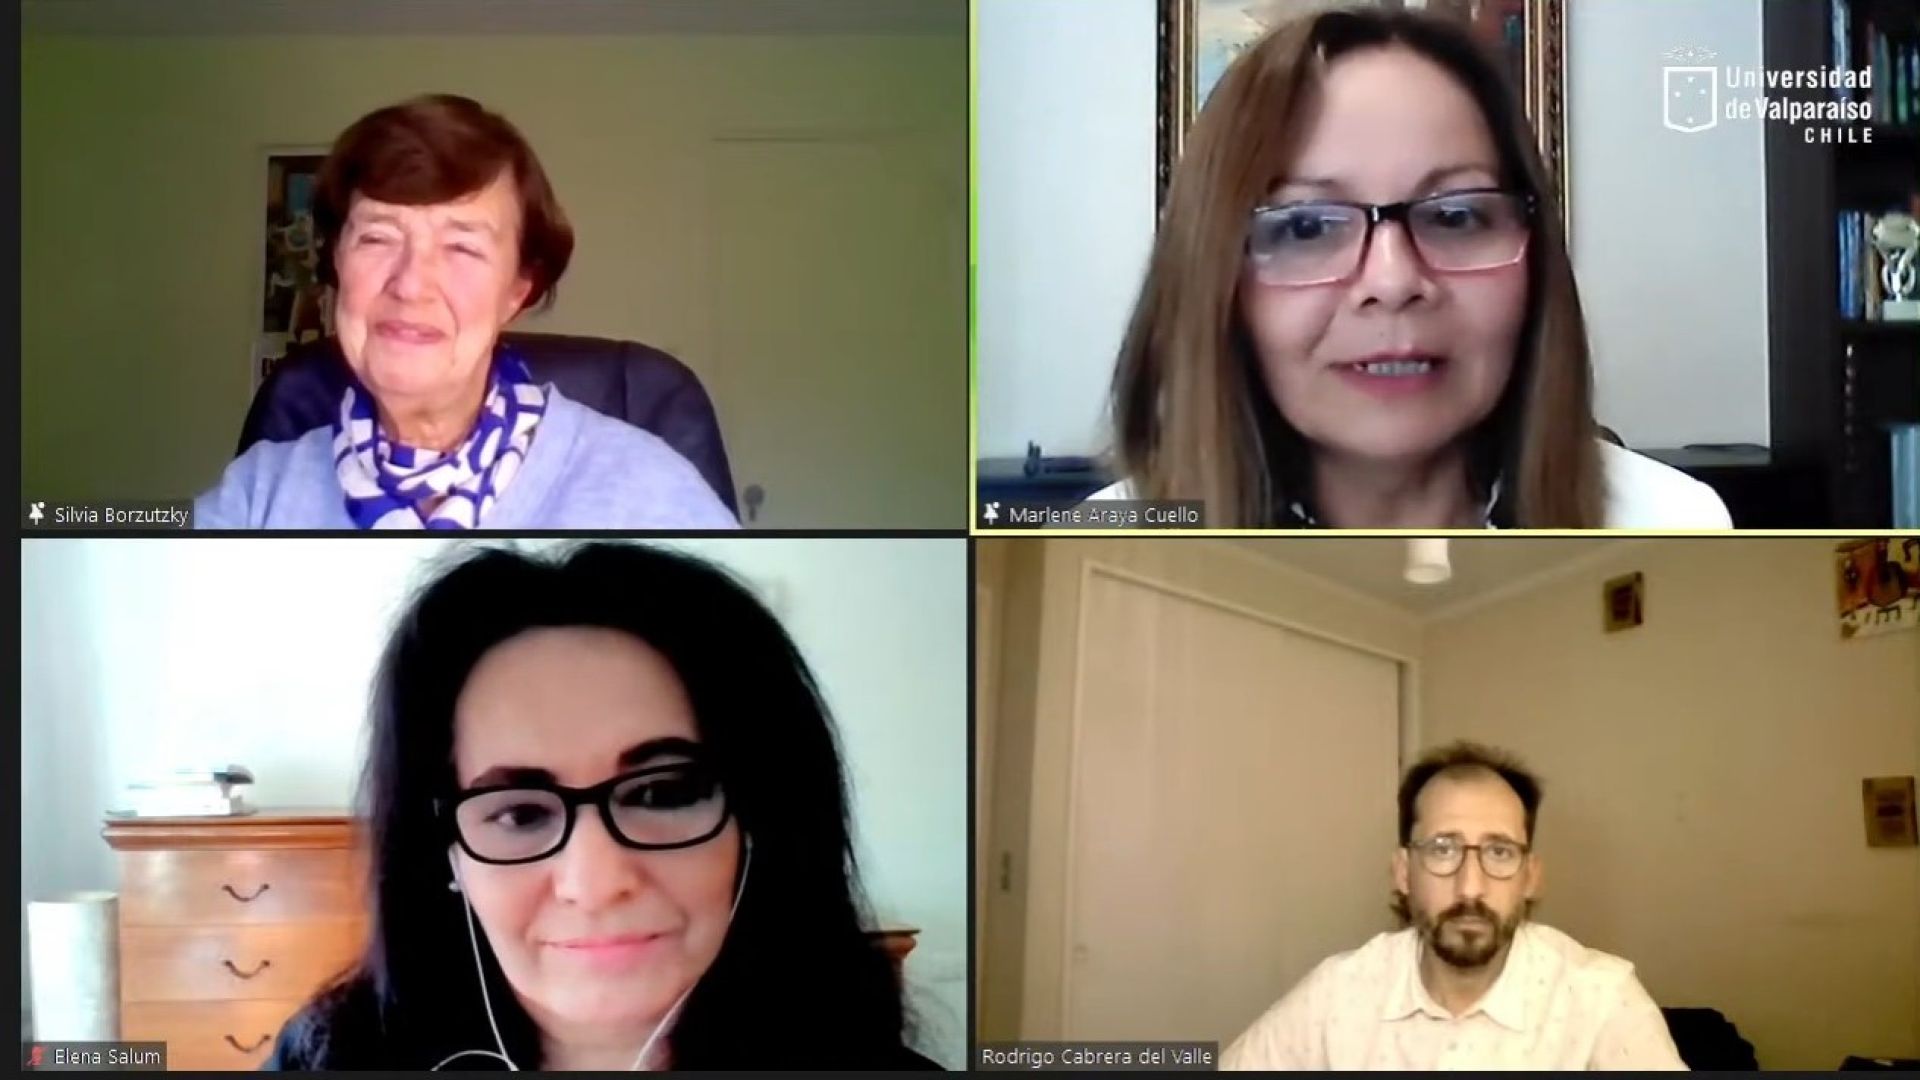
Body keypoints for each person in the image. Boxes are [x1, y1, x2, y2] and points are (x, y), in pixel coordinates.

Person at [264, 543, 935, 1070]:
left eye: (662, 794)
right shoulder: (328, 1057)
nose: (594, 883)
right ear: (447, 853)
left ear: (758, 820)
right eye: (520, 814)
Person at [1098, 8, 1730, 528]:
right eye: (1306, 226)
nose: (1394, 282)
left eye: (1455, 216)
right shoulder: (1109, 536)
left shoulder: (1672, 520)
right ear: (1216, 278)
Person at [196, 96, 737, 529]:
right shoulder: (258, 492)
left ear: (517, 291)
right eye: (377, 237)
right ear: (338, 259)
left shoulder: (649, 492)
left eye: (462, 247)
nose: (411, 284)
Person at [1222, 742, 1687, 1071]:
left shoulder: (1601, 998)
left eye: (1499, 852)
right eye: (1443, 849)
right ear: (1403, 873)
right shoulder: (1338, 993)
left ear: (1530, 876)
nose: (1470, 887)